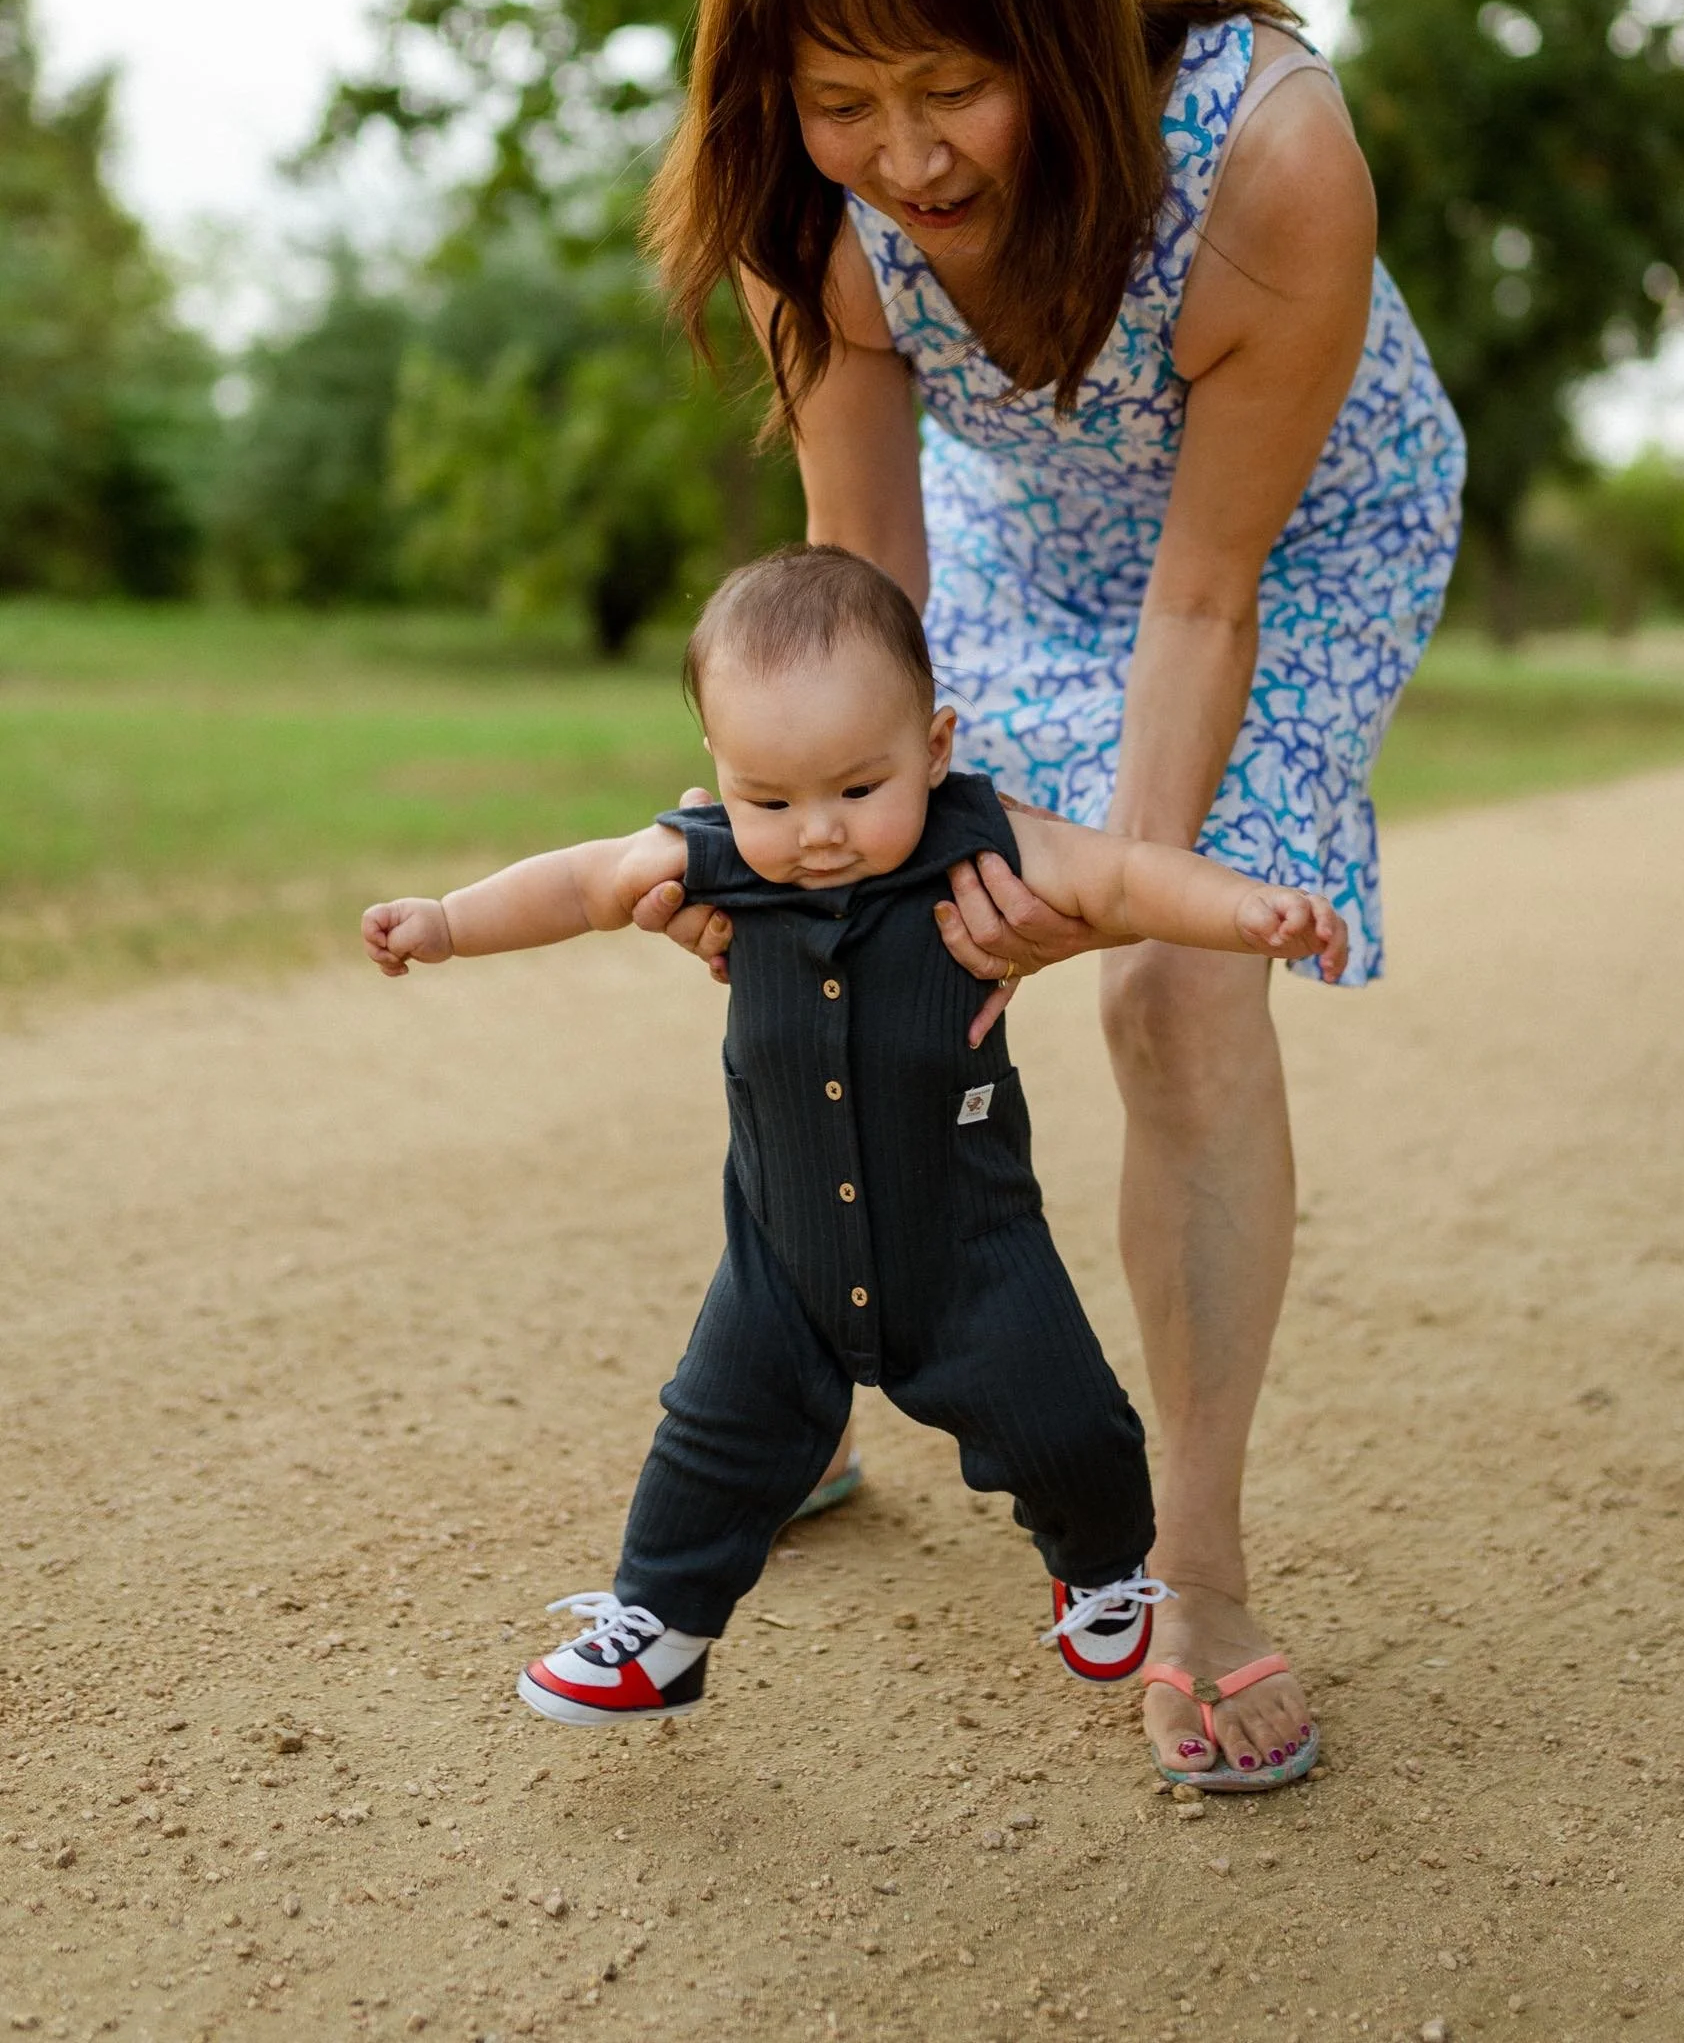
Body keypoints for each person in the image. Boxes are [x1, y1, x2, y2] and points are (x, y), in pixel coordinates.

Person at [640, 0, 1466, 1789]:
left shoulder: (1264, 152)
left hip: (1281, 543)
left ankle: (1193, 1573)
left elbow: (1203, 593)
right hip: (1016, 545)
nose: (904, 159)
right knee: (862, 926)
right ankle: (803, 1380)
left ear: (1054, 16)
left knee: (1173, 991)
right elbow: (856, 602)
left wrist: (1120, 882)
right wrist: (827, 844)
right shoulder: (806, 208)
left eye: (950, 86)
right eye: (844, 100)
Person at [361, 546, 1345, 1756]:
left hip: (970, 1243)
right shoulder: (717, 851)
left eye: (857, 787)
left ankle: (1102, 1571)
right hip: (786, 1254)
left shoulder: (979, 840)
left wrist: (1250, 912)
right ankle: (659, 1626)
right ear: (721, 776)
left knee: (1072, 1426)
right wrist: (449, 922)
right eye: (769, 797)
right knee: (712, 1430)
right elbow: (580, 881)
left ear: (933, 748)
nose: (816, 832)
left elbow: (1130, 877)